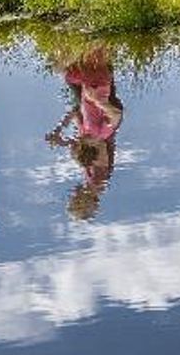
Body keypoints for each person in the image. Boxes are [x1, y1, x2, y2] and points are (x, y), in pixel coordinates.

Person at [45, 43, 123, 221]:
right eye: (76, 202)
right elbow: (98, 145)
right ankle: (92, 40)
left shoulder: (89, 177)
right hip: (100, 99)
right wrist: (97, 101)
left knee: (69, 72)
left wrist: (59, 133)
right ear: (87, 202)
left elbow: (80, 133)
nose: (73, 196)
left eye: (73, 201)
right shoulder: (97, 181)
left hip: (93, 103)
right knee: (80, 68)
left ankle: (80, 41)